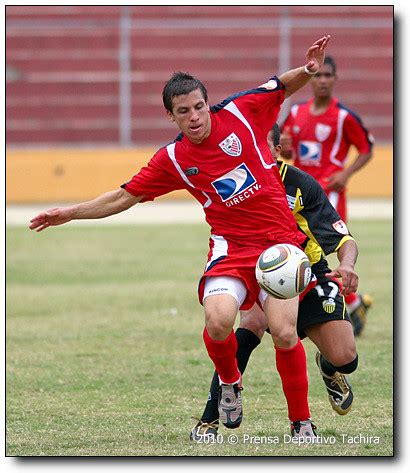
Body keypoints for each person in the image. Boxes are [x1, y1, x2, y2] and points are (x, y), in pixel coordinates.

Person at [29, 35, 331, 438]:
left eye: (199, 107)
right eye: (183, 111)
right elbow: (124, 196)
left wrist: (308, 71)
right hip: (231, 246)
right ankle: (230, 384)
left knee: (285, 331)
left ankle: (301, 423)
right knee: (219, 320)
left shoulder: (242, 113)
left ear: (209, 104)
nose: (194, 117)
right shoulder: (172, 159)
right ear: (171, 116)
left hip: (279, 244)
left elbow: (281, 85)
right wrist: (69, 213)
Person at [191, 124, 359, 441]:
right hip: (260, 274)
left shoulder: (299, 185)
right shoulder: (236, 180)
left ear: (277, 151)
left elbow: (343, 238)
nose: (250, 151)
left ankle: (328, 365)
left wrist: (346, 265)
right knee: (248, 323)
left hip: (308, 273)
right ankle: (210, 419)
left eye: (259, 145)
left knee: (345, 358)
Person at [280, 55, 374, 336]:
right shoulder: (296, 113)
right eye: (318, 75)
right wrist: (284, 149)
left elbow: (367, 148)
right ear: (310, 79)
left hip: (329, 196)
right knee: (307, 251)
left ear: (335, 79)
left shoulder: (344, 117)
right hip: (300, 196)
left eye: (328, 75)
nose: (322, 80)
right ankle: (353, 301)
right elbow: (284, 149)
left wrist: (345, 174)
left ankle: (345, 302)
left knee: (328, 248)